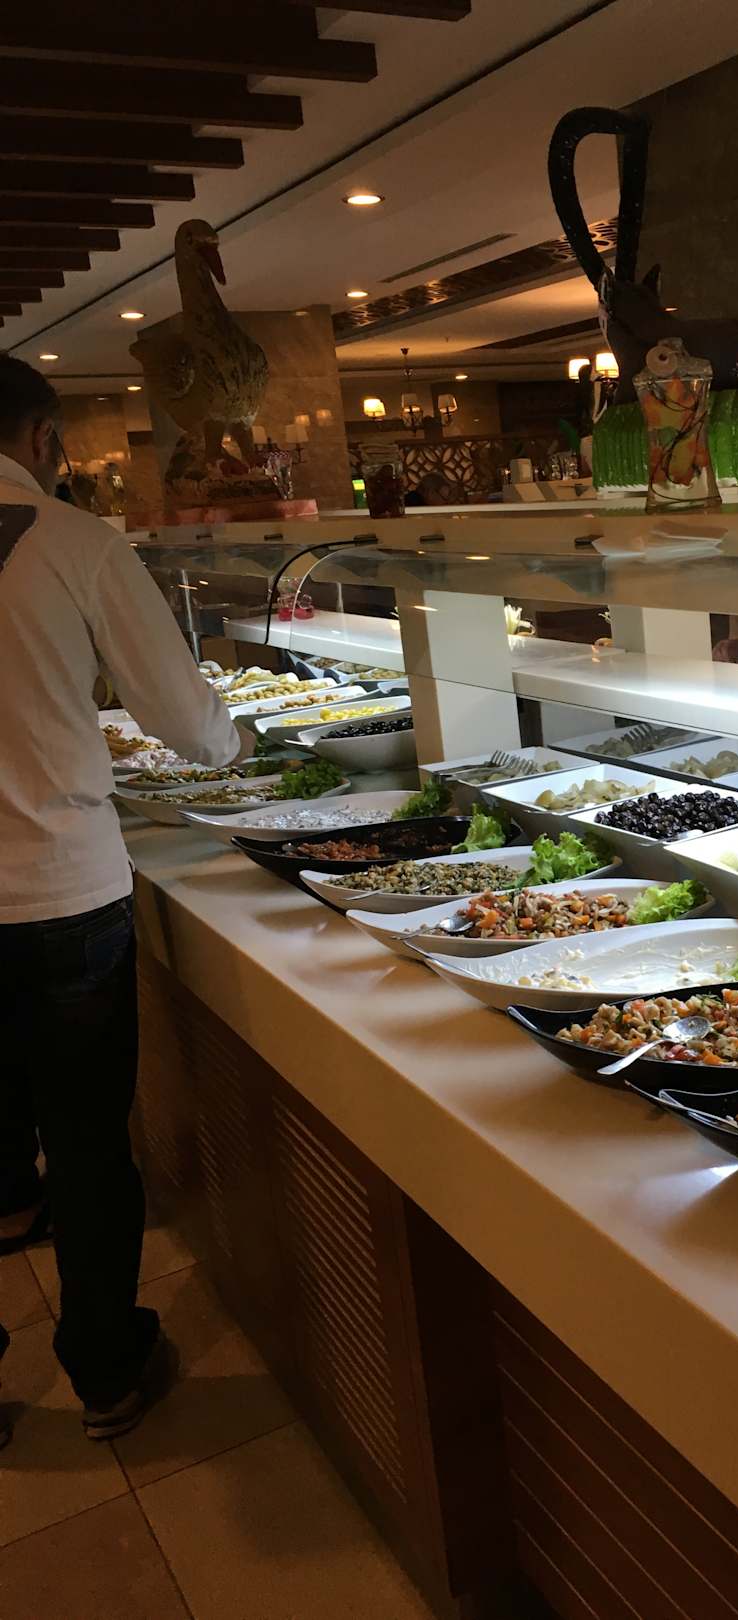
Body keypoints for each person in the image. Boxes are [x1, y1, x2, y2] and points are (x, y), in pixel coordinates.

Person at [0, 357, 243, 1445]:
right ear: (43, 438)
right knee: (89, 1141)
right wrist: (235, 740)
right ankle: (105, 1373)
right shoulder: (73, 542)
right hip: (60, 891)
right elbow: (186, 722)